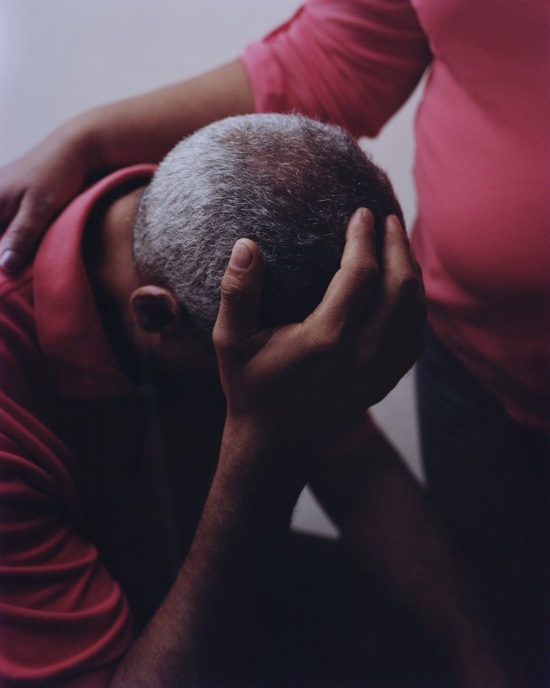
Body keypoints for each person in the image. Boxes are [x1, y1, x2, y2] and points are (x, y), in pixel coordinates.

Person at [2, 1, 548, 683]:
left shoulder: (214, 235)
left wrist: (485, 668)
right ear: (158, 319)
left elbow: (358, 472)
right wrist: (268, 443)